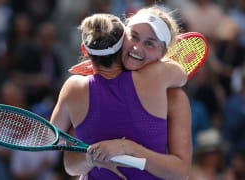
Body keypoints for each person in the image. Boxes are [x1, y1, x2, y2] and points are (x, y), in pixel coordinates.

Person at [50, 6, 191, 180]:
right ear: (122, 37)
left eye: (149, 43)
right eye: (134, 37)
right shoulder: (80, 89)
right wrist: (92, 158)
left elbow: (181, 173)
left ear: (164, 53)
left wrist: (128, 148)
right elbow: (71, 166)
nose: (137, 48)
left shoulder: (175, 97)